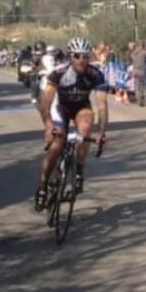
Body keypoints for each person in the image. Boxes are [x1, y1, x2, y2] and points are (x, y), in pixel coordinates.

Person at [34, 37, 109, 208]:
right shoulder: (59, 73)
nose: (81, 60)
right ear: (70, 56)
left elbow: (102, 106)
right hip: (60, 109)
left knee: (84, 131)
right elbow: (45, 102)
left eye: (85, 56)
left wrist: (102, 134)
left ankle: (79, 172)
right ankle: (43, 185)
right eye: (77, 56)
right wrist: (48, 126)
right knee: (56, 146)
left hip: (81, 108)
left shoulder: (95, 74)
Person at [129, 40, 146, 107]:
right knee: (145, 87)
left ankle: (139, 101)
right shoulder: (144, 52)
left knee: (137, 87)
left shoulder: (132, 54)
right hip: (143, 71)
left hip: (135, 71)